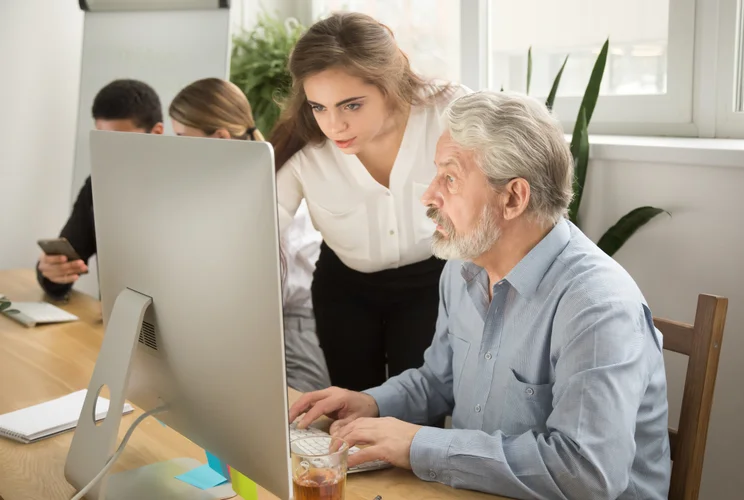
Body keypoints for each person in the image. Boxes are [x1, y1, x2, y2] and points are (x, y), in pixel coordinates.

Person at [289, 91, 671, 499]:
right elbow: (439, 380)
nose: (428, 195)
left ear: (512, 198)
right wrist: (371, 404)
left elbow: (587, 473)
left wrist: (419, 444)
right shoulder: (462, 267)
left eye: (449, 178)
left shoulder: (597, 307)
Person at [270, 12, 470, 392]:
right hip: (344, 291)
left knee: (416, 414)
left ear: (389, 85)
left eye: (351, 105)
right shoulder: (304, 148)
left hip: (432, 282)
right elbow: (259, 232)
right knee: (352, 411)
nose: (333, 126)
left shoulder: (450, 112)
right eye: (319, 107)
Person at [168, 77, 331, 393]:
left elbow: (264, 292)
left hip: (292, 327)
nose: (177, 148)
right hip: (247, 326)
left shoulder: (274, 190)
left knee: (295, 418)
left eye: (182, 137)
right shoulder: (222, 189)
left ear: (219, 137)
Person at [37, 79, 164, 299]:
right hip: (113, 320)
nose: (109, 152)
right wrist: (52, 272)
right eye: (101, 139)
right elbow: (67, 259)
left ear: (157, 133)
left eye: (119, 141)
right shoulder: (97, 185)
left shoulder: (184, 188)